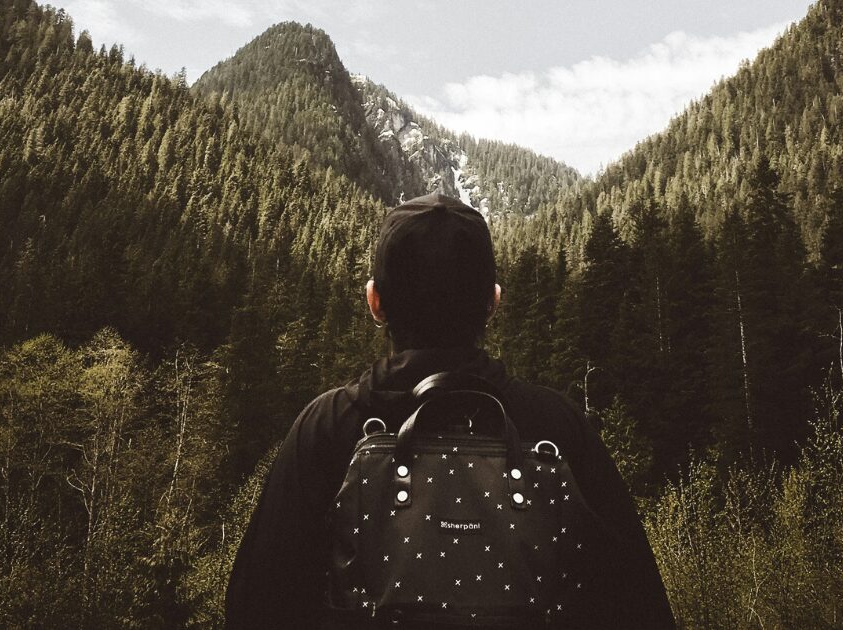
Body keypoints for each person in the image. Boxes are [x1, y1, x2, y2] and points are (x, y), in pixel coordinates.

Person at [224, 192, 675, 628]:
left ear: (375, 301)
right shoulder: (557, 426)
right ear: (492, 303)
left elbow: (258, 604)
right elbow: (637, 606)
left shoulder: (328, 426)